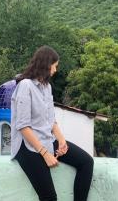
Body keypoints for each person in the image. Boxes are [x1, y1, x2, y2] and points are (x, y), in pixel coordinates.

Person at [11, 45, 94, 201]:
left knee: (86, 162)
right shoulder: (25, 86)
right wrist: (45, 154)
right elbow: (22, 126)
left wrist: (61, 141)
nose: (55, 70)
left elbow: (51, 120)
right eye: (54, 66)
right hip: (27, 146)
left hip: (47, 140)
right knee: (49, 197)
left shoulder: (47, 87)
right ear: (46, 64)